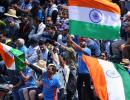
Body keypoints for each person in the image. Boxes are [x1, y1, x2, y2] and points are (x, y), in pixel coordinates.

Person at [68, 35, 95, 100]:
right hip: (80, 73)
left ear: (86, 43)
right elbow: (73, 47)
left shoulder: (88, 50)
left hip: (87, 73)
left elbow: (79, 48)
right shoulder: (79, 51)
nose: (81, 42)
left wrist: (72, 41)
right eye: (80, 41)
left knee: (88, 89)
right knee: (78, 87)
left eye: (83, 41)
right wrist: (69, 40)